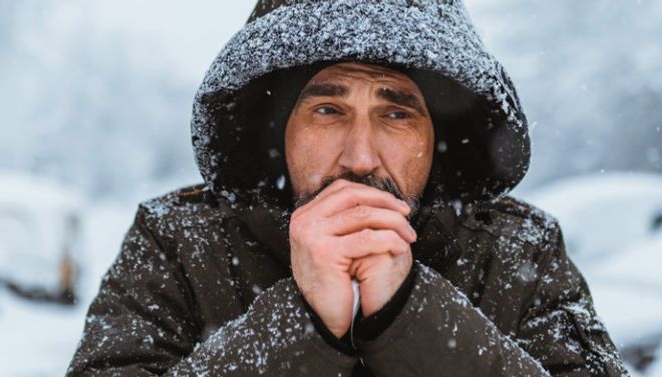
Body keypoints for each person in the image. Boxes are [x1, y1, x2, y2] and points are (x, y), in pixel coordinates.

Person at [67, 0, 628, 375]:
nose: (360, 158)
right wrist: (303, 319)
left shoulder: (517, 251)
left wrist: (410, 313)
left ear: (438, 139)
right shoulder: (178, 242)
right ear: (278, 131)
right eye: (328, 110)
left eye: (397, 114)